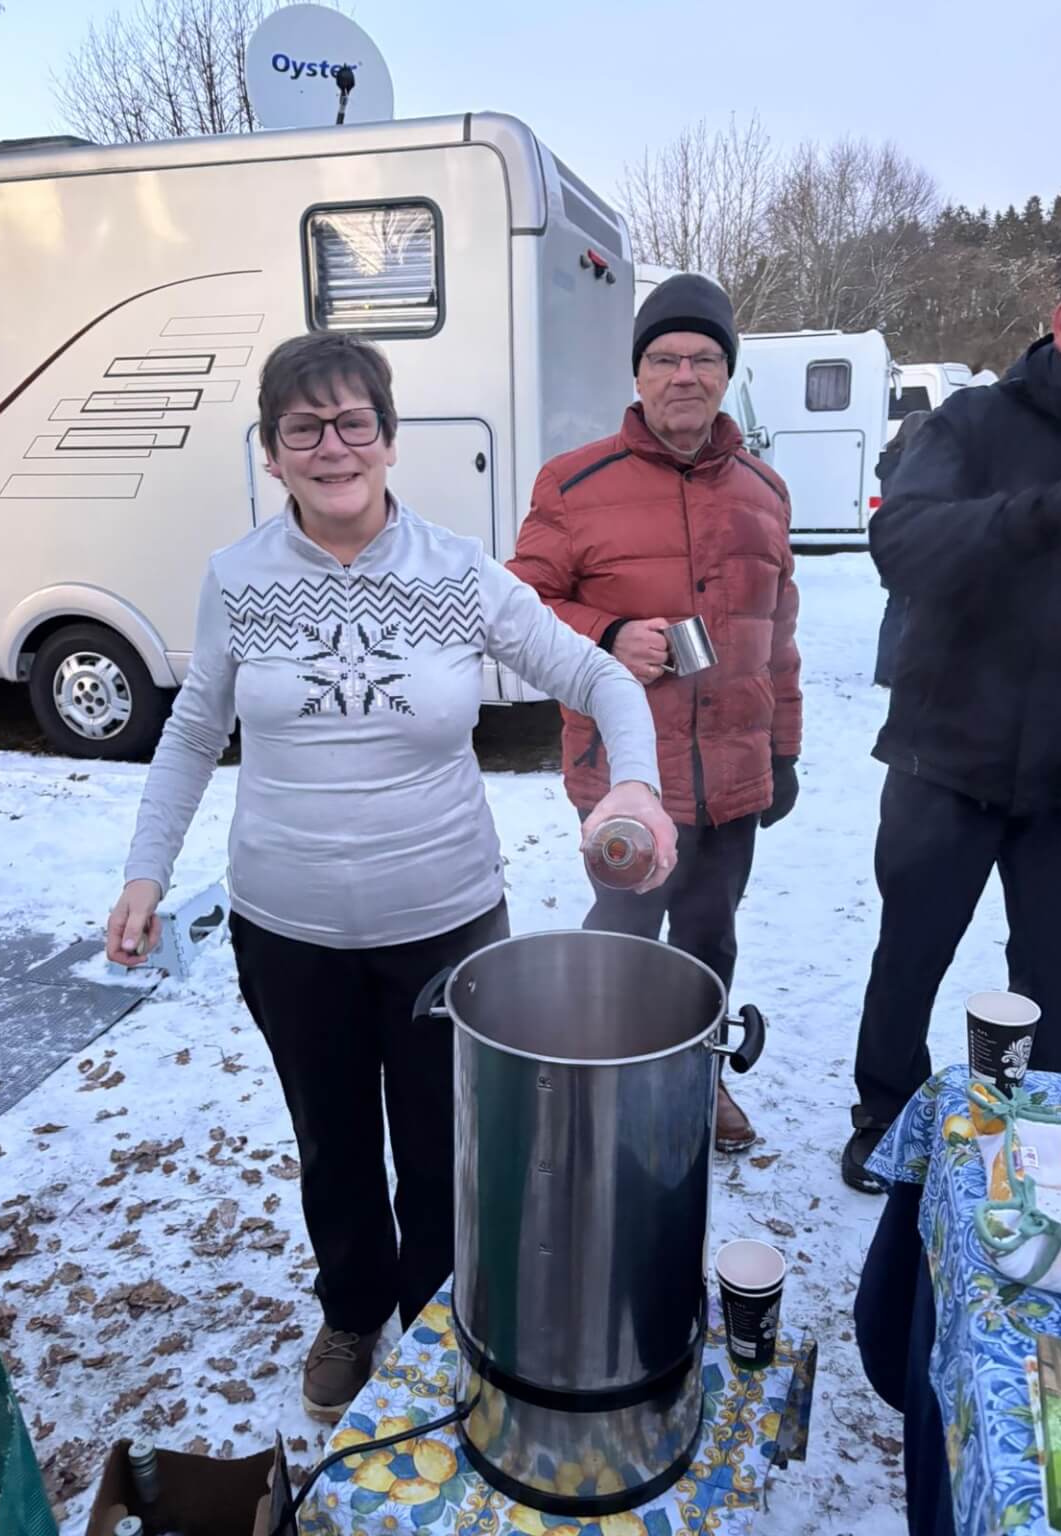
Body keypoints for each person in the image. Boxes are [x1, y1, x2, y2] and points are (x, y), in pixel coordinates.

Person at [105, 332, 676, 1419]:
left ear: (390, 437)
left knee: (446, 1145)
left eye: (353, 422)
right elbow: (191, 732)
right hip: (288, 930)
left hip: (445, 927)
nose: (333, 447)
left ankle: (442, 1317)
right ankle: (354, 1313)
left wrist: (636, 790)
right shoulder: (236, 579)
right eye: (303, 428)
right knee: (331, 1142)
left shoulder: (459, 573)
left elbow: (603, 678)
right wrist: (145, 871)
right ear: (271, 451)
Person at [508, 274, 802, 1152]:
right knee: (621, 941)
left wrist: (783, 751)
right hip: (626, 778)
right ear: (637, 373)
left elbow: (779, 637)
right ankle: (597, 1086)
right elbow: (519, 609)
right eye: (665, 357)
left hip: (734, 776)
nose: (685, 375)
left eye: (704, 358)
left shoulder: (765, 491)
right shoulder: (573, 483)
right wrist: (607, 632)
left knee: (711, 939)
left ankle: (698, 1080)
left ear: (727, 374)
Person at [843, 248, 1061, 1193]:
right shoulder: (974, 421)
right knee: (910, 955)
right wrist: (1046, 516)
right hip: (946, 756)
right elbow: (900, 544)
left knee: (1055, 981)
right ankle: (885, 1117)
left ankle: (1024, 1136)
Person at [872, 409, 930, 688]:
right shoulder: (916, 465)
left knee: (896, 607)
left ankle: (887, 669)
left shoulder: (891, 464)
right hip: (914, 542)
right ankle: (894, 671)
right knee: (906, 608)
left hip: (893, 541)